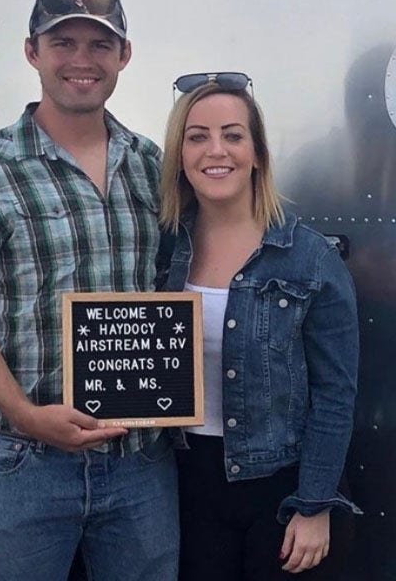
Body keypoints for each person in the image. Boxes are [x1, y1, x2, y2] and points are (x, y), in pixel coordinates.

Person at [0, 0, 179, 581]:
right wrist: (24, 413)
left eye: (99, 45)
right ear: (32, 52)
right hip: (27, 463)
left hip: (140, 462)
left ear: (124, 56)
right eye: (63, 43)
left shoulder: (152, 165)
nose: (81, 62)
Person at [154, 73, 360, 580]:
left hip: (278, 489)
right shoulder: (160, 253)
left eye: (233, 134)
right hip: (178, 484)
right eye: (197, 136)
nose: (215, 150)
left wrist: (313, 505)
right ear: (180, 155)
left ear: (258, 153)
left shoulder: (309, 257)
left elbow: (336, 393)